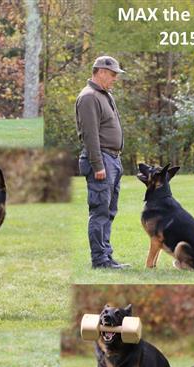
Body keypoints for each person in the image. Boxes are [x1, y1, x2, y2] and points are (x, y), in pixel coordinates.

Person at [75, 56, 130, 269]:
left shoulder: (104, 95)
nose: (115, 78)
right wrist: (98, 165)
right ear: (100, 72)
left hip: (113, 159)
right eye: (113, 74)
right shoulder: (89, 97)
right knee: (99, 212)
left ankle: (107, 257)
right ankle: (99, 260)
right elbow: (90, 135)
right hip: (102, 160)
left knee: (109, 211)